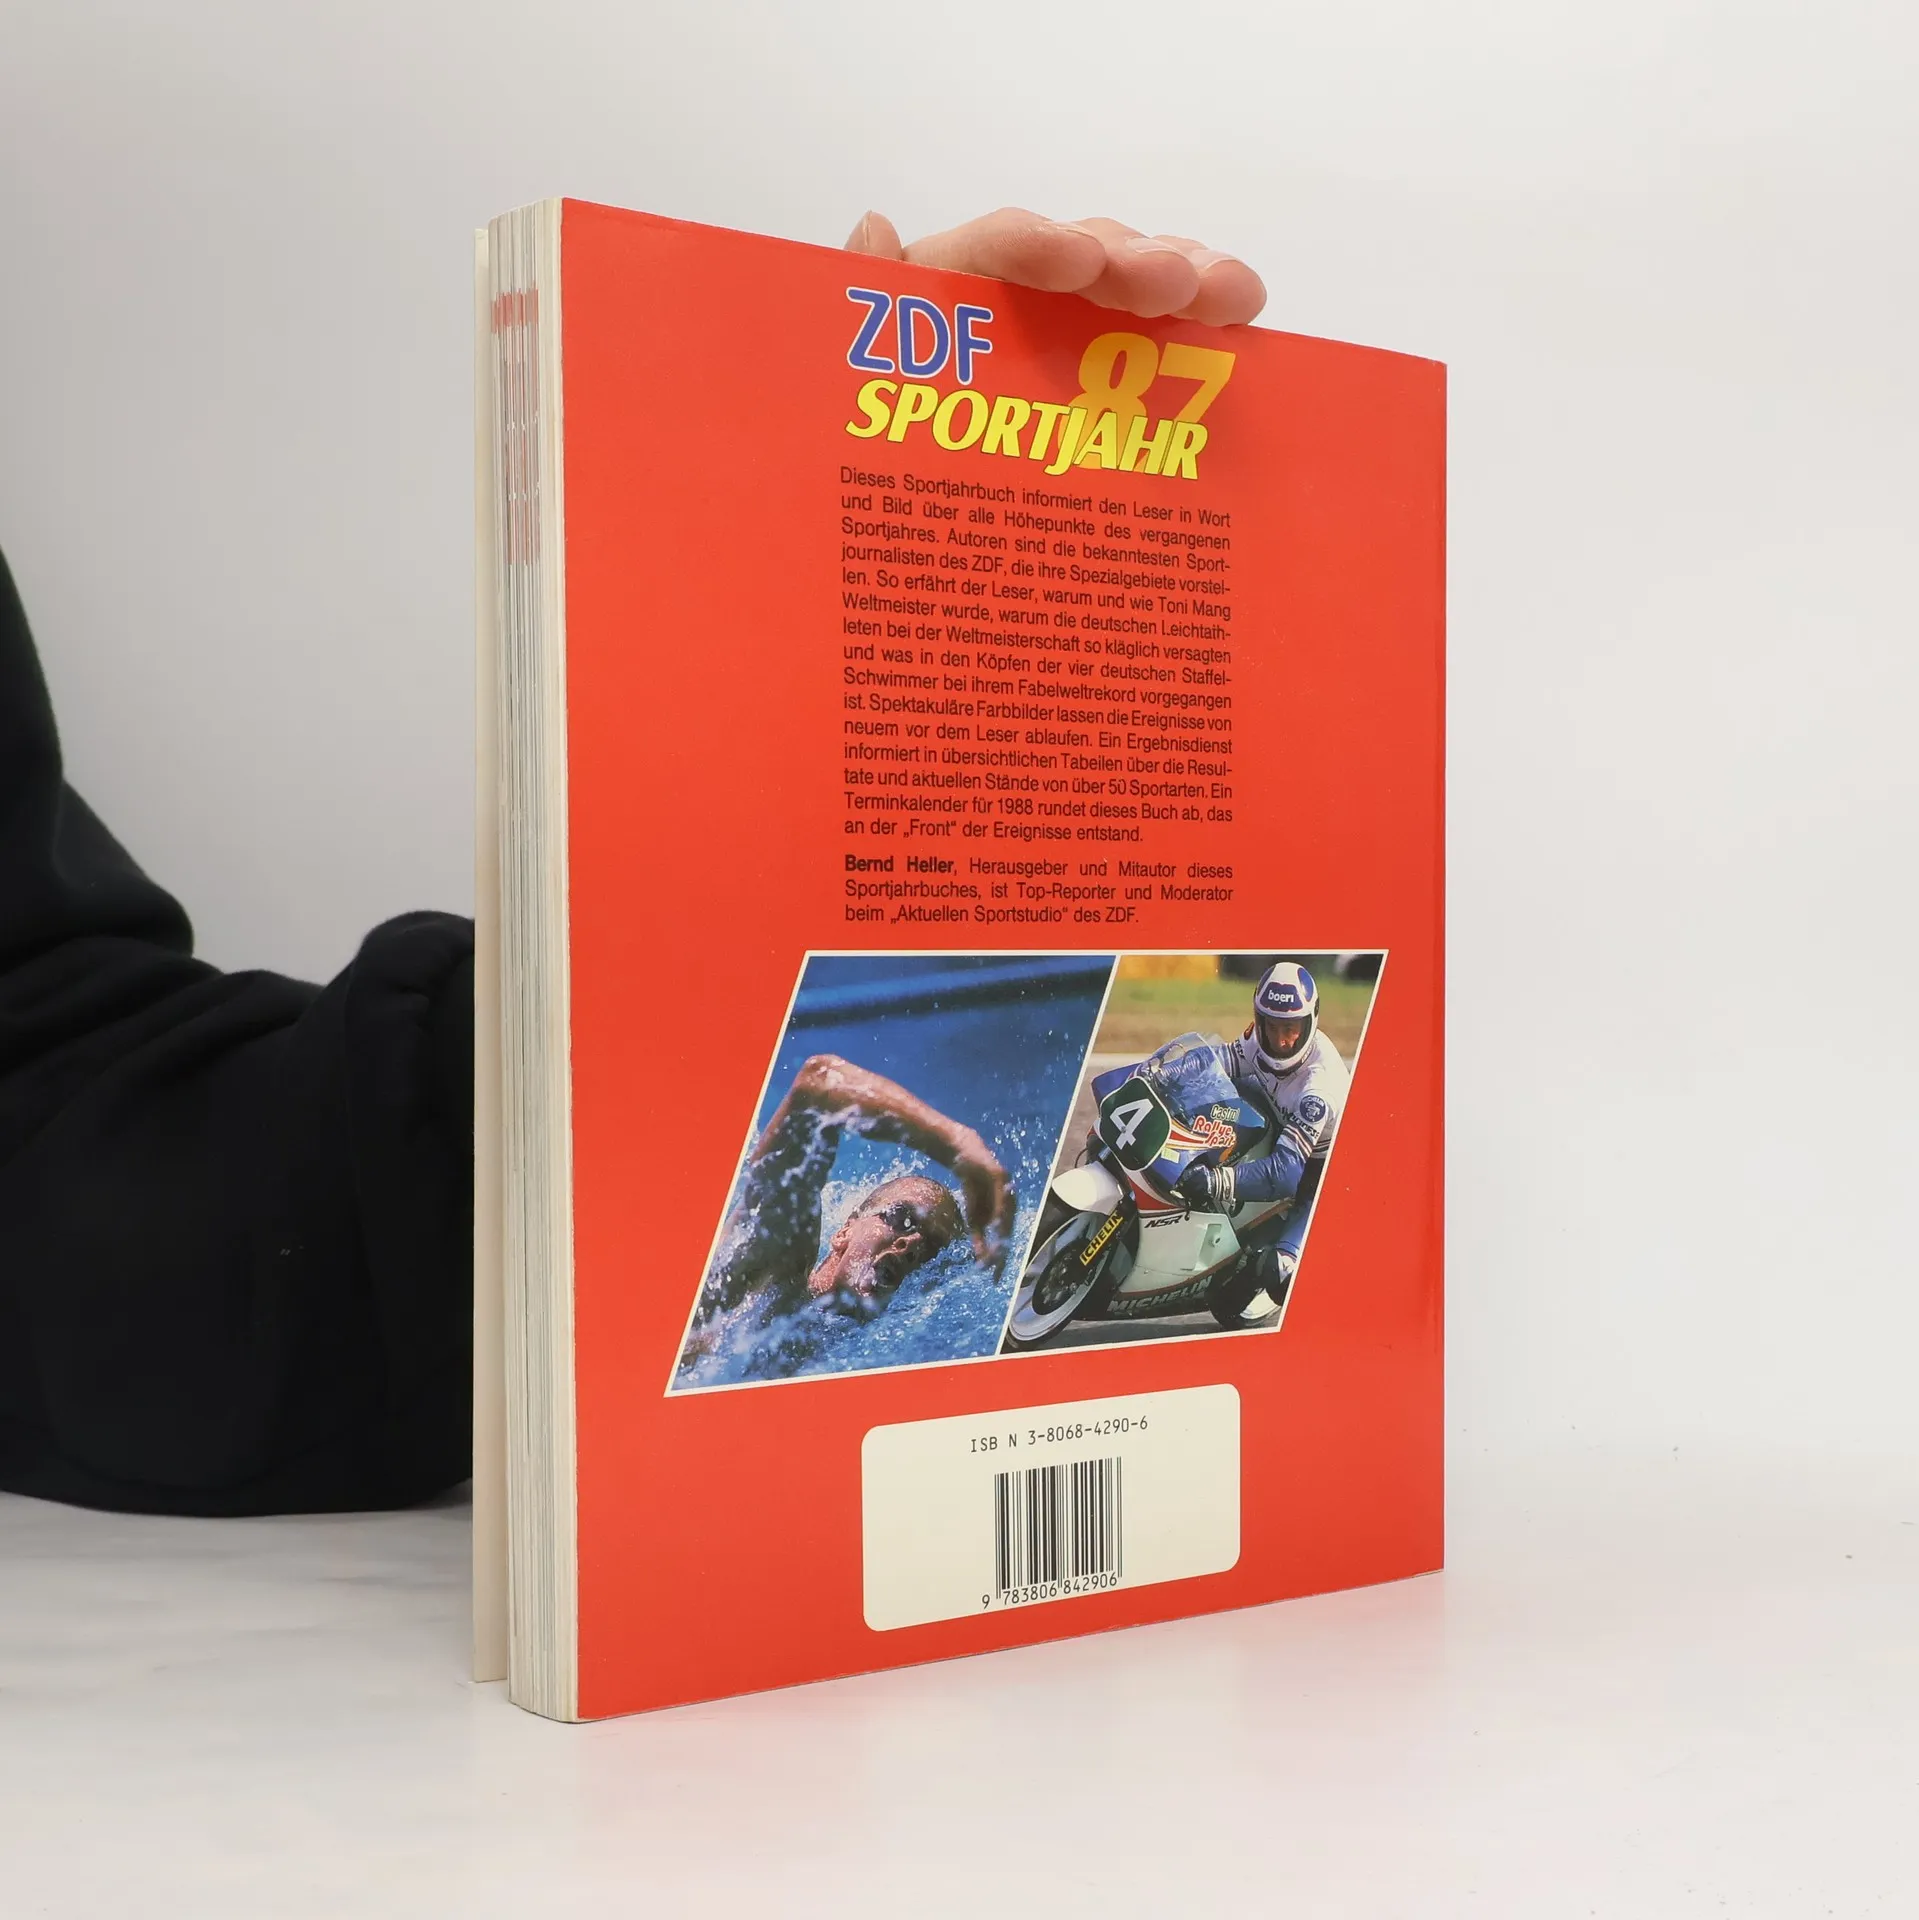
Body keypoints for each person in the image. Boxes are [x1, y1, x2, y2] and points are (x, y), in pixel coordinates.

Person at [0, 207, 1266, 1514]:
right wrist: (964, 1149)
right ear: (846, 1216)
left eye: (914, 1243)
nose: (893, 1254)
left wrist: (772, 792)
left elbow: (67, 1128)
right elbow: (818, 1082)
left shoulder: (832, 1317)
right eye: (898, 1221)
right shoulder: (770, 1258)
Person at [677, 1052, 1014, 1380]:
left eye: (931, 1249)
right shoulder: (776, 1269)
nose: (911, 1244)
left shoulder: (876, 1352)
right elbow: (817, 1086)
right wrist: (956, 1144)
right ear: (845, 1231)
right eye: (903, 1219)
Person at [1174, 960, 1351, 1323]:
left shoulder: (1319, 1088)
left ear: (1309, 1023)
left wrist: (1215, 1182)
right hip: (1278, 1123)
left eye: (1291, 1029)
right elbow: (1218, 1061)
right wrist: (1164, 1072)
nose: (1281, 1041)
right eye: (1273, 1026)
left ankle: (1283, 1266)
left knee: (1278, 1274)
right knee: (1223, 1089)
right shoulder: (1258, 1039)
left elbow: (1286, 1174)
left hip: (1323, 1172)